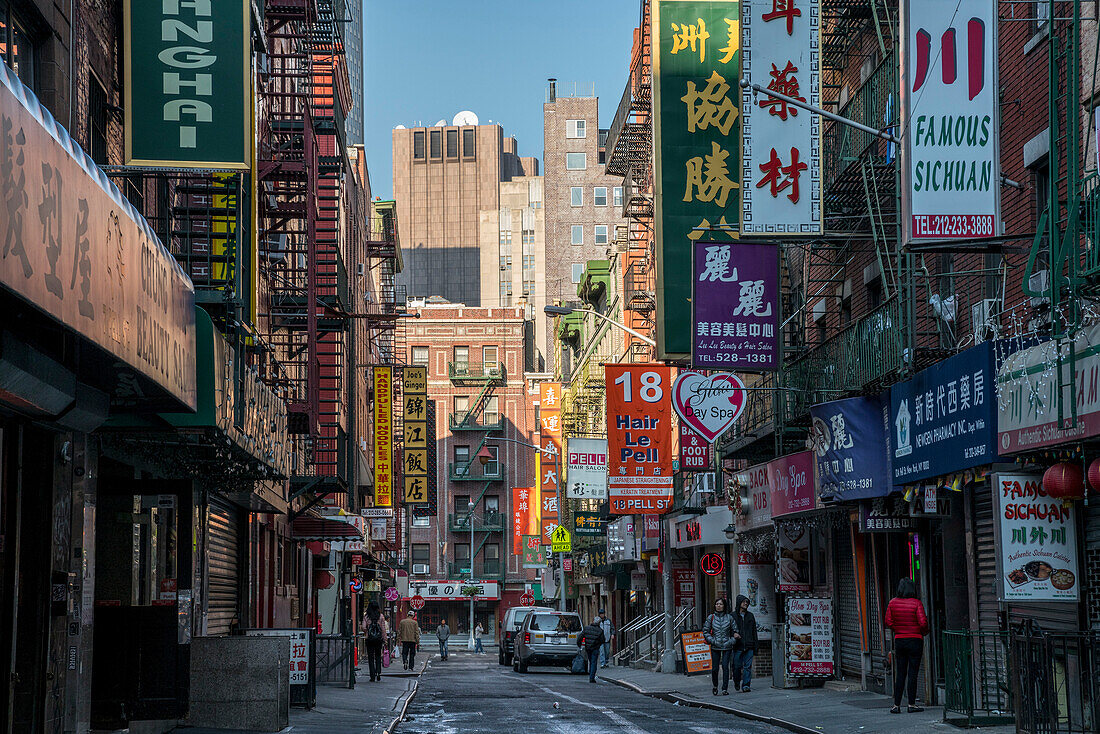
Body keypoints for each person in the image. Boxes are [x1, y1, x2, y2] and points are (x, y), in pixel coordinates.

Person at [885, 578, 929, 714]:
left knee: (900, 673)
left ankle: (896, 705)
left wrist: (897, 629)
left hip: (900, 641)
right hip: (915, 640)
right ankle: (911, 704)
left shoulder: (892, 603)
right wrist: (923, 632)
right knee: (913, 673)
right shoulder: (917, 603)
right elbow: (923, 623)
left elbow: (888, 621)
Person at [703, 597, 738, 696]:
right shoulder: (711, 617)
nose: (718, 606)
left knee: (725, 667)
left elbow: (736, 631)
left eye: (721, 604)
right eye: (717, 604)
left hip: (727, 645)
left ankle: (724, 688)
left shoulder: (729, 617)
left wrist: (731, 641)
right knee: (715, 668)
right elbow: (705, 631)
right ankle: (715, 685)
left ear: (724, 606)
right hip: (715, 646)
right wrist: (712, 640)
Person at [732, 595, 758, 692]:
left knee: (748, 667)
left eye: (747, 602)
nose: (746, 604)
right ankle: (737, 681)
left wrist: (755, 646)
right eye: (744, 602)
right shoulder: (733, 616)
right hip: (737, 646)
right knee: (737, 667)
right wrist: (733, 634)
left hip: (749, 645)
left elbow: (754, 631)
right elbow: (729, 630)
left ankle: (746, 685)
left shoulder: (750, 616)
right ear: (739, 603)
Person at [362, 602, 387, 682]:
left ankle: (372, 675)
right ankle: (378, 673)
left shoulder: (366, 616)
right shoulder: (381, 616)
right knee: (378, 656)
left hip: (369, 639)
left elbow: (363, 627)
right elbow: (383, 629)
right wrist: (385, 639)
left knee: (370, 657)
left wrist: (367, 631)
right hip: (378, 640)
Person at [578, 616, 606, 683]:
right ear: (599, 623)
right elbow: (602, 640)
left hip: (588, 648)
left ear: (593, 621)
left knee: (590, 661)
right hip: (595, 648)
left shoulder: (587, 628)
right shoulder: (600, 631)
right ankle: (591, 677)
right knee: (593, 662)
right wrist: (598, 644)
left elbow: (580, 637)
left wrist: (579, 645)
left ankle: (591, 674)